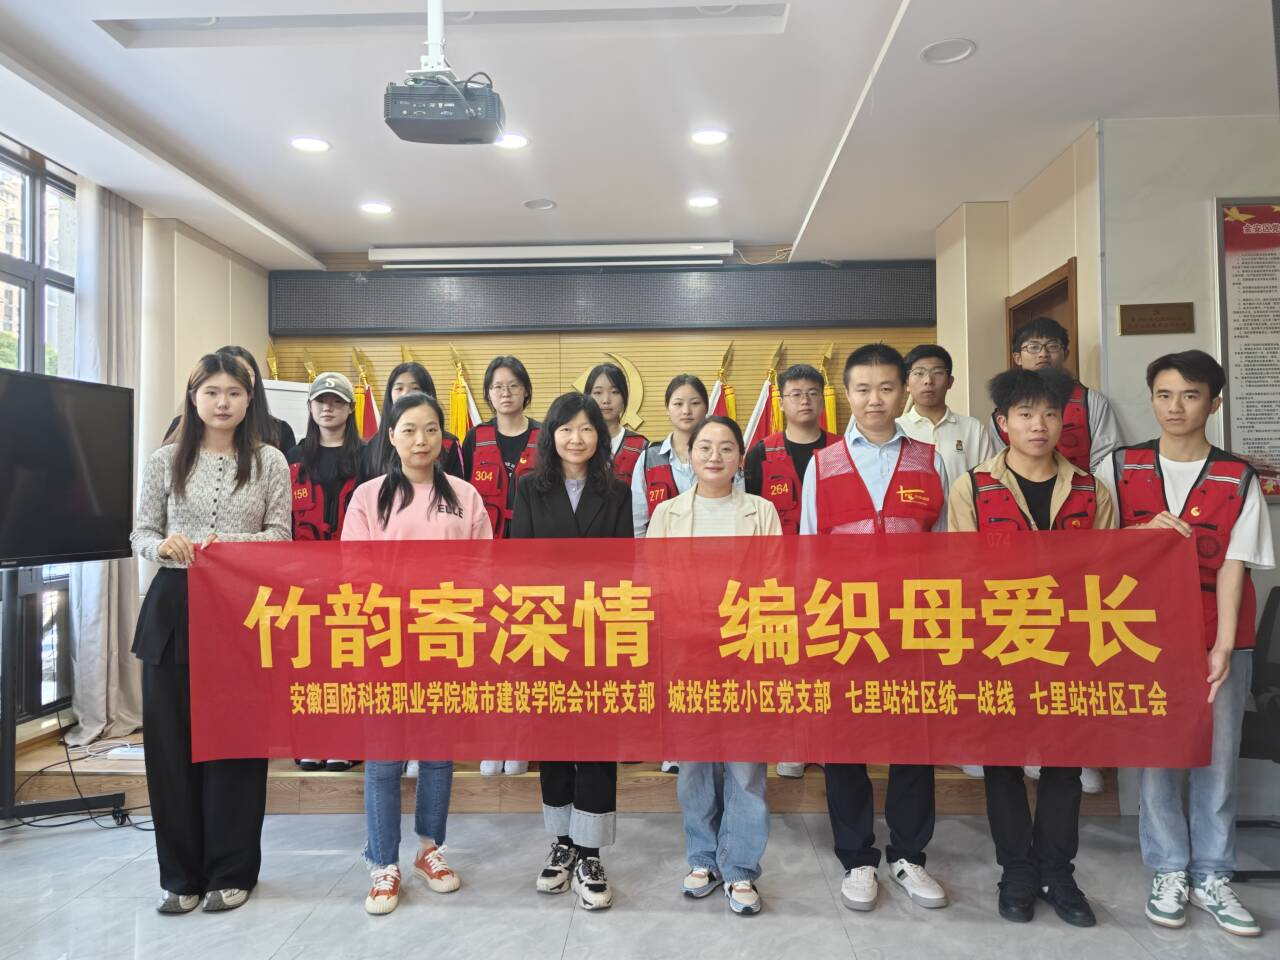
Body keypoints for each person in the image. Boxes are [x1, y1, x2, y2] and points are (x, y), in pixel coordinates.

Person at [1096, 350, 1272, 939]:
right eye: (1165, 394)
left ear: (1214, 403)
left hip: (1218, 633)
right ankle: (1169, 868)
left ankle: (1212, 875)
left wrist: (1222, 646)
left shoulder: (1237, 476)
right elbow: (1092, 546)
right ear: (1152, 398)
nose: (1176, 407)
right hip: (1141, 635)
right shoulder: (1120, 467)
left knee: (1218, 758)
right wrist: (1137, 531)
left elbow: (1235, 565)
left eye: (1191, 395)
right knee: (1159, 756)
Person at [949, 367, 1112, 928]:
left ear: (1063, 421)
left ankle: (1058, 873)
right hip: (1001, 642)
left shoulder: (1091, 489)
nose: (1038, 425)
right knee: (1003, 764)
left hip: (1071, 647)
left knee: (1065, 766)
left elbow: (1108, 572)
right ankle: (1016, 871)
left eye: (1049, 414)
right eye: (1025, 414)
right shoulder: (972, 487)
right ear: (1003, 423)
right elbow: (961, 571)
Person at [131, 352, 291, 915]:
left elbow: (281, 536)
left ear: (250, 400)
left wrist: (224, 547)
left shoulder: (270, 460)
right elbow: (141, 533)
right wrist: (163, 546)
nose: (223, 403)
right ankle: (180, 876)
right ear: (193, 397)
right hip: (174, 608)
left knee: (237, 743)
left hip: (240, 611)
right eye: (212, 392)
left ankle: (232, 870)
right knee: (170, 746)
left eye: (234, 393)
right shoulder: (164, 460)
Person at [799, 343, 949, 915]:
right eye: (863, 389)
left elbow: (945, 549)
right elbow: (809, 549)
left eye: (886, 388)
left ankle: (908, 854)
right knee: (845, 740)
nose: (875, 399)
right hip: (844, 621)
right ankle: (857, 857)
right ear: (846, 394)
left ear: (904, 390)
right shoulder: (823, 463)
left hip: (913, 621)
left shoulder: (930, 460)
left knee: (914, 739)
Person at [343, 392, 492, 915]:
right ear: (391, 436)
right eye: (408, 430)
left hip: (443, 637)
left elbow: (482, 567)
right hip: (385, 639)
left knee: (437, 752)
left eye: (430, 429)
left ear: (443, 437)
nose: (420, 440)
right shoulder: (368, 497)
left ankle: (430, 848)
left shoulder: (465, 496)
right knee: (384, 756)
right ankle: (383, 863)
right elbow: (355, 568)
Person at [648, 415, 782, 916]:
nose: (714, 456)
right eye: (704, 446)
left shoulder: (761, 512)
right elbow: (652, 584)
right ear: (688, 455)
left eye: (726, 447)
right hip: (687, 654)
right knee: (695, 765)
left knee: (745, 767)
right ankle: (703, 858)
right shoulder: (668, 514)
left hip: (746, 650)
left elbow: (776, 583)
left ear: (740, 458)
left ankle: (741, 866)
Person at [510, 391, 633, 911]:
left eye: (586, 429)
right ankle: (561, 844)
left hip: (601, 630)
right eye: (566, 429)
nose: (576, 438)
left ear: (599, 436)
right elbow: (521, 562)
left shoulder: (618, 492)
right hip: (546, 630)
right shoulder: (529, 488)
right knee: (555, 740)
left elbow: (624, 566)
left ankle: (591, 853)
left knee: (597, 744)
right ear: (551, 436)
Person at [742, 362, 838, 779]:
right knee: (784, 661)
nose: (805, 401)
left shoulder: (840, 450)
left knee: (829, 659)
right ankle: (792, 743)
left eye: (812, 393)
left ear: (822, 399)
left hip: (830, 576)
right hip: (777, 577)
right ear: (781, 402)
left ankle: (826, 741)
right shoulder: (761, 453)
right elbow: (748, 512)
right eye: (796, 394)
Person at [462, 355, 539, 776]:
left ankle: (522, 737)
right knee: (490, 653)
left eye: (513, 385)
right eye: (497, 386)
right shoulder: (475, 439)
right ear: (488, 394)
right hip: (485, 562)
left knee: (527, 650)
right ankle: (494, 739)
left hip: (530, 563)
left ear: (526, 390)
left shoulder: (546, 436)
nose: (505, 393)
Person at [286, 371, 362, 773]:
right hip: (305, 582)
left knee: (350, 661)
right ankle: (310, 740)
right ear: (310, 407)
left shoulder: (368, 458)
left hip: (355, 580)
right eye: (320, 401)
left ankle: (347, 741)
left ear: (350, 408)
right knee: (309, 662)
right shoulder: (292, 459)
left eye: (336, 401)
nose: (327, 408)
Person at [988, 317, 1121, 472]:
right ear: (1017, 358)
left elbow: (1106, 465)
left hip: (1083, 486)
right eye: (1033, 347)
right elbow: (1000, 466)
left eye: (1052, 346)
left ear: (1066, 354)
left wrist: (1085, 486)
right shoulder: (1003, 411)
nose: (1043, 354)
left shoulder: (1091, 402)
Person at [164, 345, 295, 453]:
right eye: (212, 392)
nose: (223, 403)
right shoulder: (171, 446)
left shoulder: (278, 432)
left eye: (245, 373)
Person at [359, 361, 465, 483]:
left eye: (415, 388)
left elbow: (457, 488)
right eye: (399, 388)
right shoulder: (374, 445)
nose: (405, 394)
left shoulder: (448, 444)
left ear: (428, 394)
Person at [586, 361, 649, 486]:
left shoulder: (640, 446)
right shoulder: (578, 443)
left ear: (624, 398)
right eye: (598, 393)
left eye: (615, 392)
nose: (606, 400)